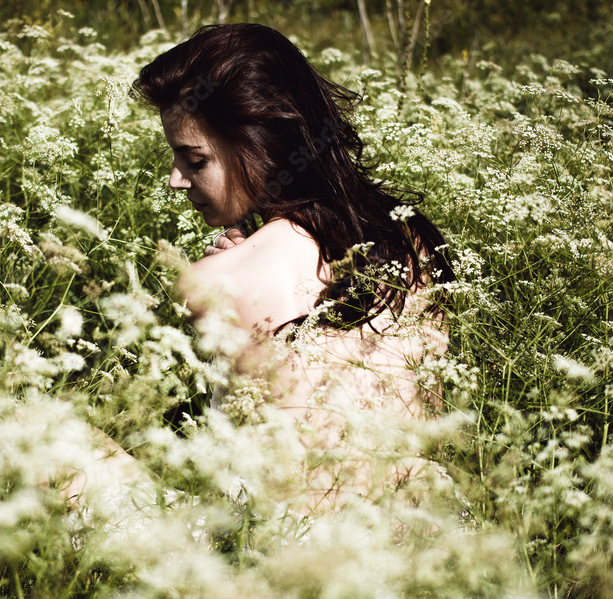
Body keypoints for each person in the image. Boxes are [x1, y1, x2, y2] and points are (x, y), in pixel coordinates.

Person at [133, 24, 454, 435]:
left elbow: (263, 467)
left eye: (195, 161)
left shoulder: (216, 280)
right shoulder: (412, 238)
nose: (176, 180)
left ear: (262, 143)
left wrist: (229, 273)